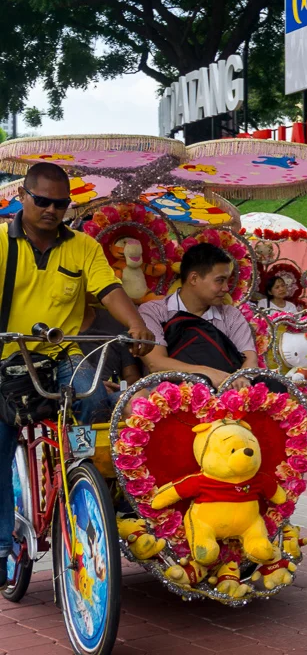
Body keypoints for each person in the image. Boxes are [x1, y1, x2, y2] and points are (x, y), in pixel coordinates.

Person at [0, 162, 155, 586]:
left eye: (61, 203)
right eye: (43, 201)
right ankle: (0, 544)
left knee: (98, 403)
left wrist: (135, 326)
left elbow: (109, 289)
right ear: (23, 198)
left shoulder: (83, 247)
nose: (52, 209)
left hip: (64, 354)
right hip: (7, 358)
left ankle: (86, 480)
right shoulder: (0, 242)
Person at [139, 243, 257, 389]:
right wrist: (208, 374)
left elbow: (250, 359)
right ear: (194, 278)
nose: (226, 288)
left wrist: (240, 380)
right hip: (169, 397)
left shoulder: (230, 315)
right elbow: (156, 363)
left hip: (226, 394)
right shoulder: (154, 311)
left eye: (227, 281)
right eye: (220, 280)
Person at [80, 303, 144, 419]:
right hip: (76, 396)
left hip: (115, 394)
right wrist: (97, 388)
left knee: (139, 400)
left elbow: (131, 374)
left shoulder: (114, 322)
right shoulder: (52, 329)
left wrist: (121, 387)